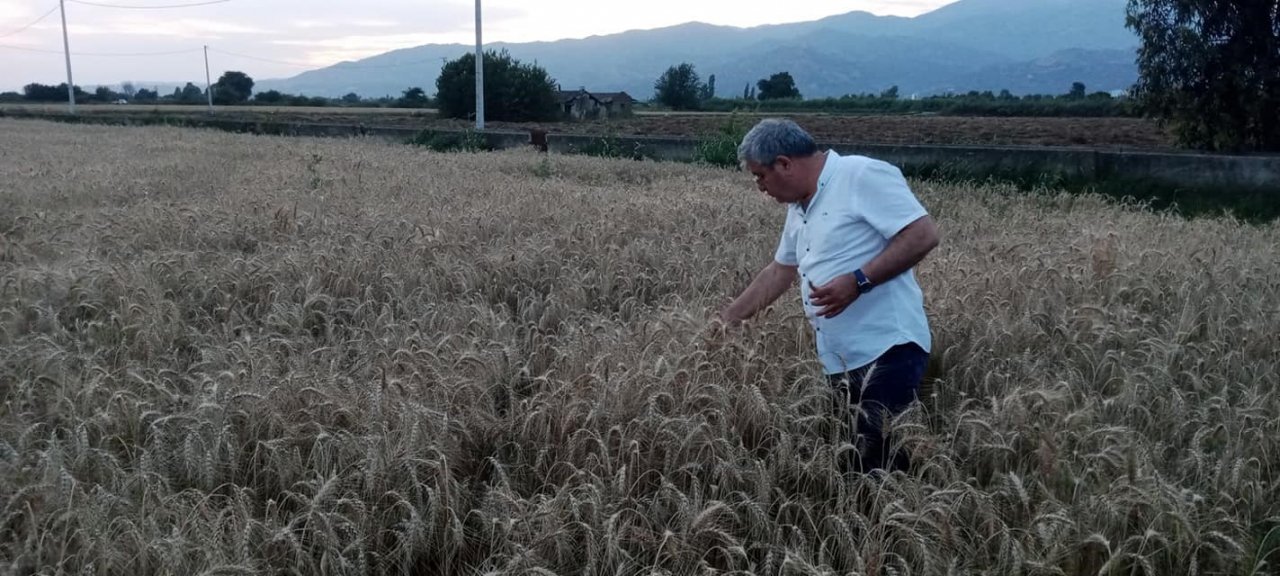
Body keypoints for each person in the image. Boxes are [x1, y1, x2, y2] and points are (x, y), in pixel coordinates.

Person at [719, 118, 940, 474]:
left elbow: (923, 234)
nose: (760, 187)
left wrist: (858, 281)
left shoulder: (860, 175)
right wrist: (728, 318)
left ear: (784, 163)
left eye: (760, 176)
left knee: (880, 467)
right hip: (839, 359)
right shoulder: (799, 207)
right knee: (853, 463)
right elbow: (780, 271)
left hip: (887, 349)